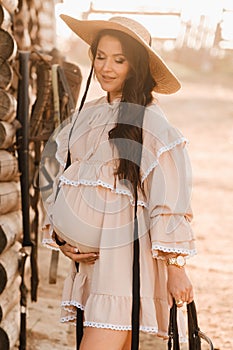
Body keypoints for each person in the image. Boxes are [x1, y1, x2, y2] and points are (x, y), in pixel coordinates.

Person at [41, 15, 196, 350]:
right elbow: (64, 179)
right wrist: (61, 235)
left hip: (124, 265)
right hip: (90, 267)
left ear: (136, 66)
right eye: (100, 56)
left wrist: (176, 267)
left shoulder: (152, 123)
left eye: (119, 60)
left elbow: (169, 197)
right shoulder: (88, 115)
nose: (106, 67)